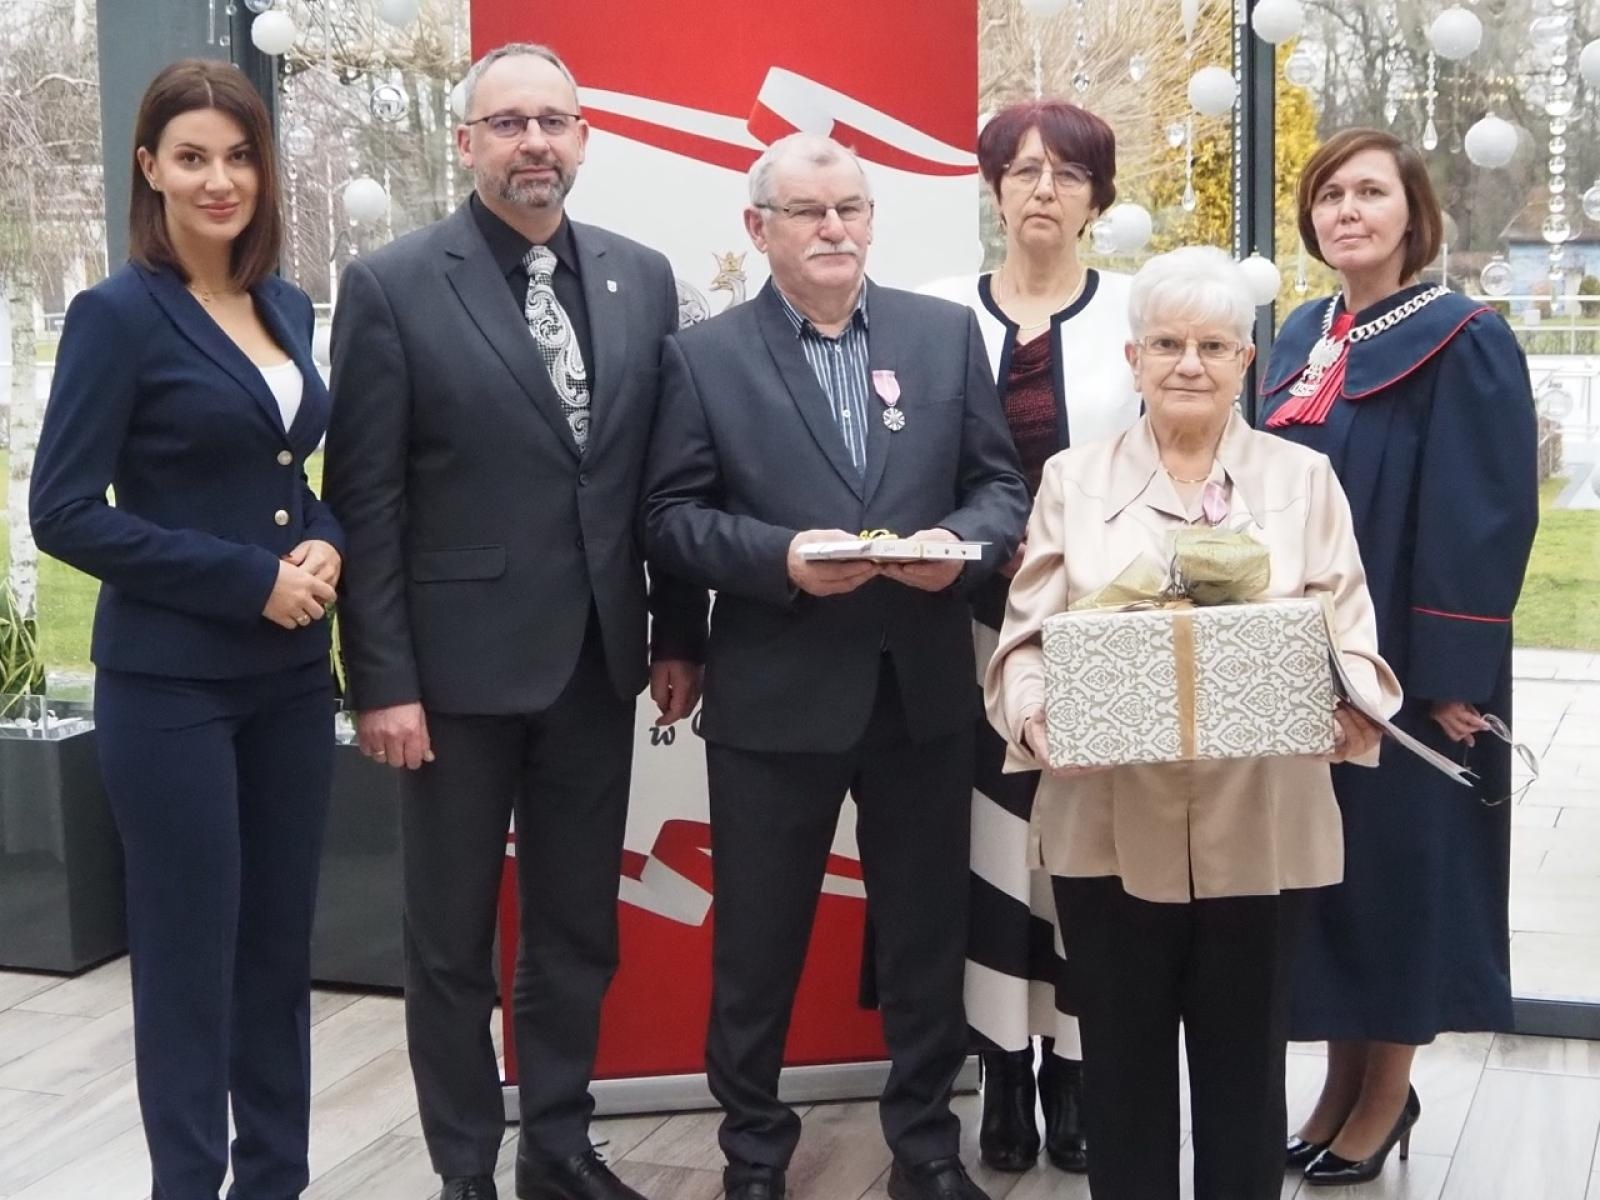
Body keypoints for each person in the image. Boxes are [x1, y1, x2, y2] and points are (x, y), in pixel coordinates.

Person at [323, 42, 706, 1200]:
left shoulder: (642, 278)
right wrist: (379, 680)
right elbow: (367, 500)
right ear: (467, 143)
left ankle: (556, 1145)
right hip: (449, 680)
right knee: (449, 947)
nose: (534, 142)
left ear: (584, 138)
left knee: (577, 931)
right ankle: (462, 1172)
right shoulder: (393, 284)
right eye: (508, 124)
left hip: (599, 664)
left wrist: (677, 634)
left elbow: (663, 484)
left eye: (554, 121)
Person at [641, 132, 1031, 1200]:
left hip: (921, 690)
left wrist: (956, 550)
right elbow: (670, 521)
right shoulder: (702, 357)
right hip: (776, 695)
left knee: (922, 940)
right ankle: (754, 1156)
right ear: (756, 226)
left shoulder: (944, 335)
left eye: (851, 208)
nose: (834, 229)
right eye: (809, 212)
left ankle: (924, 1152)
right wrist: (778, 559)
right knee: (758, 950)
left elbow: (999, 489)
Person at [985, 246, 1401, 1200]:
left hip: (1264, 821)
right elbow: (1025, 642)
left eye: (1213, 344)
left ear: (1246, 361)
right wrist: (1039, 722)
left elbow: (1354, 638)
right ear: (1132, 359)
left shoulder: (1305, 480)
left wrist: (1350, 709)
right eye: (1166, 343)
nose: (1188, 364)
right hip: (1103, 823)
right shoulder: (1072, 480)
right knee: (1120, 1074)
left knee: (1246, 1073)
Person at [29, 59, 342, 1200]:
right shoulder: (116, 317)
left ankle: (276, 1179)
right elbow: (60, 511)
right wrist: (243, 579)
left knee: (277, 950)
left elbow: (288, 476)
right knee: (188, 959)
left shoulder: (289, 305)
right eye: (194, 157)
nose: (221, 179)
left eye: (240, 155)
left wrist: (325, 541)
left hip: (294, 681)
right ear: (150, 169)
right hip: (170, 688)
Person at [1260, 128, 1539, 1186]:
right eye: (1329, 194)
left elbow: (1483, 514)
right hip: (1301, 660)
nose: (1347, 211)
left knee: (1398, 882)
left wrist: (1450, 679)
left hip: (1410, 672)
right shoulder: (1298, 332)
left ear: (1412, 213)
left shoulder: (1462, 336)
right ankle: (1338, 1084)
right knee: (1325, 883)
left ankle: (1385, 1094)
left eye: (1369, 192)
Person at [921, 97, 1140, 1177]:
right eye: (1021, 169)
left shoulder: (1136, 314)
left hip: (1096, 629)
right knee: (988, 853)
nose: (1042, 187)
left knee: (1081, 859)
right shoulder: (930, 311)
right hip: (958, 629)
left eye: (1066, 171)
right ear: (992, 187)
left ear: (1097, 195)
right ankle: (999, 1067)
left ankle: (1074, 1067)